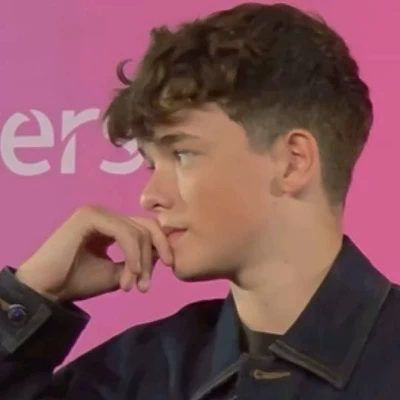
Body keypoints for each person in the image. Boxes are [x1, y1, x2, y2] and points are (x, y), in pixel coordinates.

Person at [1, 2, 399, 399]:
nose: (149, 196)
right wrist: (31, 293)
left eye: (182, 154)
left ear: (293, 162)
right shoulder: (138, 372)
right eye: (150, 163)